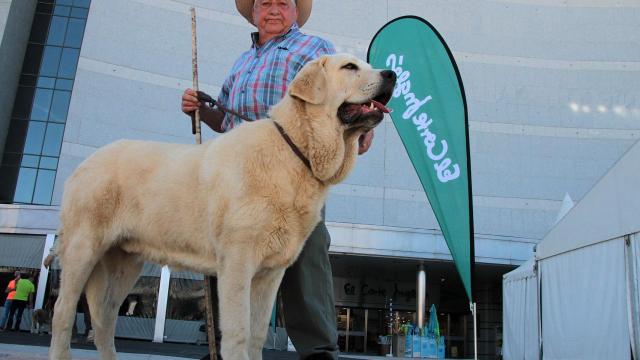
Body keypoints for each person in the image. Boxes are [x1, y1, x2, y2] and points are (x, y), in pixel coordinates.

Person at [181, 1, 374, 358]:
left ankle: (317, 348)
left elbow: (345, 96)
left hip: (295, 170)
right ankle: (228, 346)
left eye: (282, 3)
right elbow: (224, 119)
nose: (272, 9)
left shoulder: (314, 49)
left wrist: (362, 127)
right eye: (263, 3)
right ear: (253, 15)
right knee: (229, 254)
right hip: (239, 174)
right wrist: (200, 108)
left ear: (295, 13)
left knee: (307, 253)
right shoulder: (242, 62)